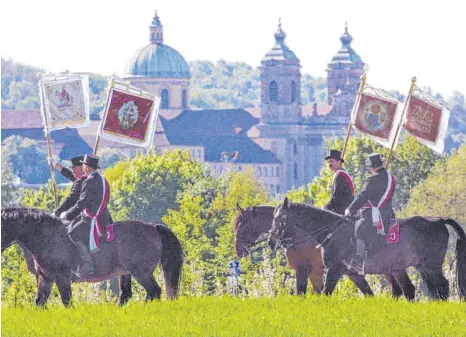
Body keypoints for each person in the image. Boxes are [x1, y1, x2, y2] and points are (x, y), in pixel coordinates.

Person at [343, 153, 396, 275]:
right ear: (381, 164)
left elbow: (363, 196)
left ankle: (358, 262)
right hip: (388, 214)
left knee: (359, 230)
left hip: (374, 215)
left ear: (371, 168)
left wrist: (350, 209)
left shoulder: (372, 179)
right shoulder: (391, 178)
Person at [60, 155, 112, 277]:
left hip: (91, 218)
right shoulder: (103, 179)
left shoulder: (89, 180)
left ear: (87, 167)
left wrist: (67, 215)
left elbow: (82, 203)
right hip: (103, 217)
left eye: (83, 164)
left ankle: (87, 265)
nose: (82, 166)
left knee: (71, 232)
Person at [322, 149, 354, 215]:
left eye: (331, 161)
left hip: (342, 213)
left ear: (339, 162)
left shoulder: (339, 176)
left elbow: (336, 198)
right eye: (328, 162)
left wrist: (324, 208)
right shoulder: (341, 174)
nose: (329, 164)